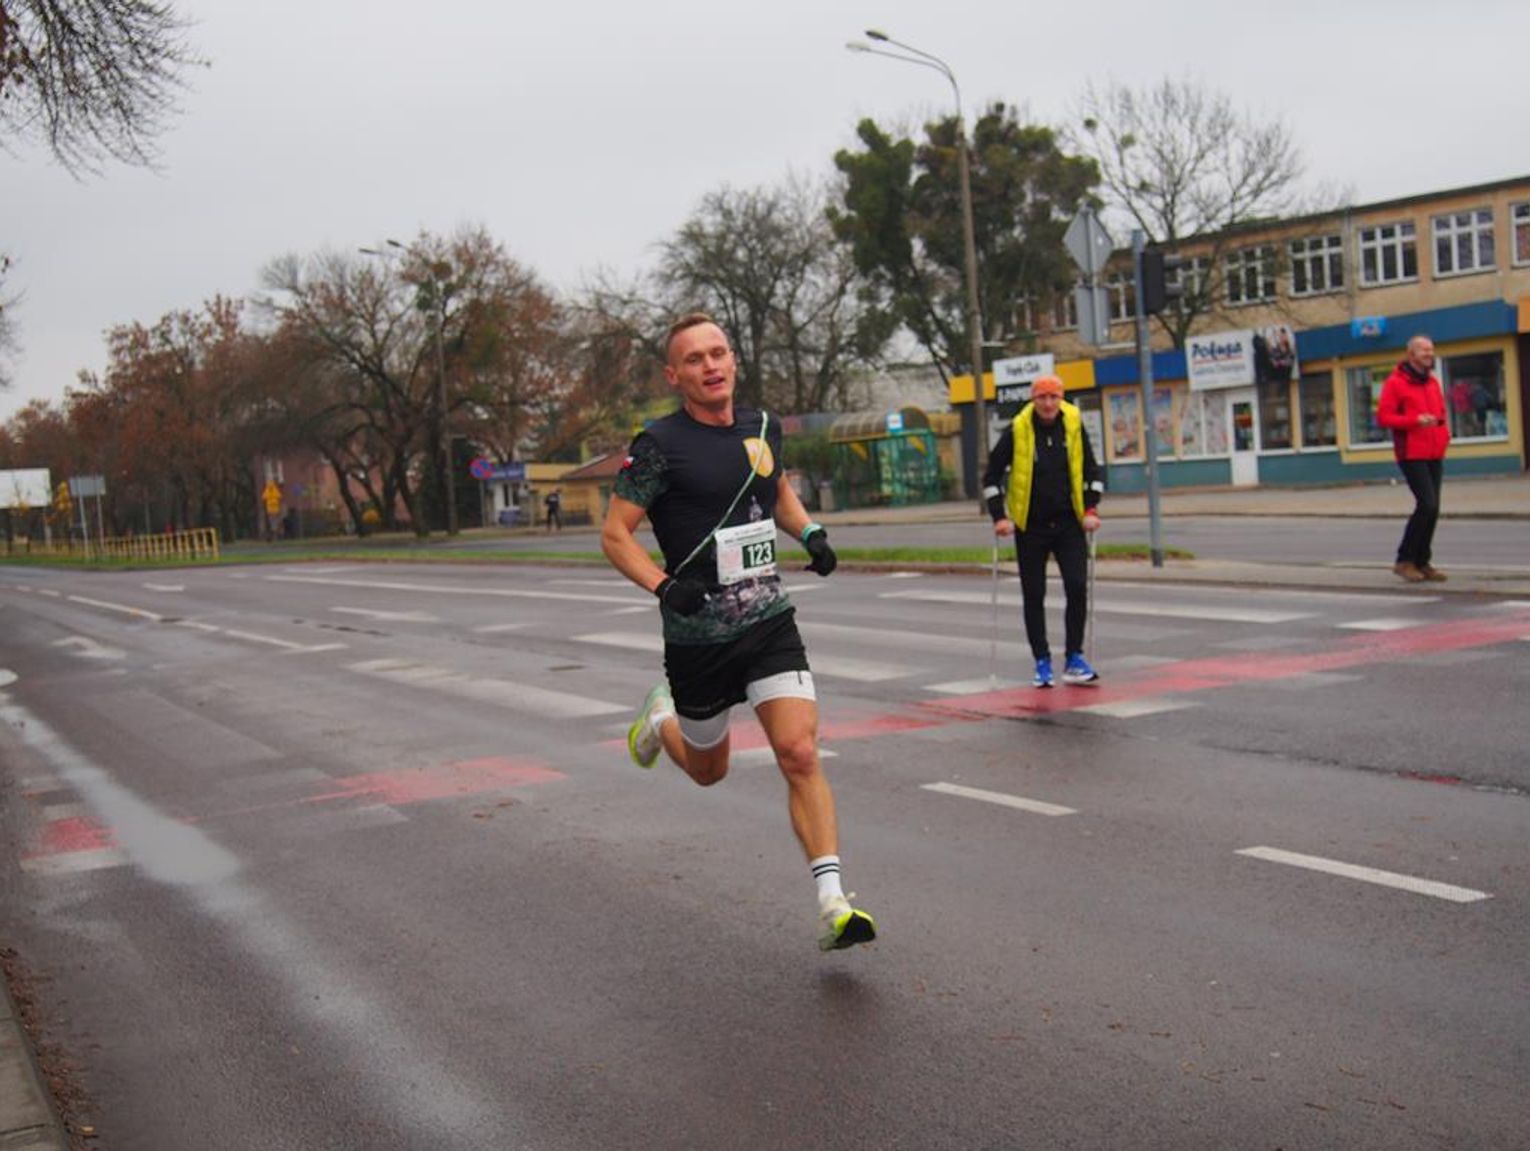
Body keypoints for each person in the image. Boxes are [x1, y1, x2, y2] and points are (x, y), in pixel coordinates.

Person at [600, 312, 875, 953]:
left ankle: (833, 902)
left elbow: (774, 489)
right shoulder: (656, 445)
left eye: (718, 352)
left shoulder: (759, 425)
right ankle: (659, 719)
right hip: (698, 637)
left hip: (768, 621)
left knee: (799, 753)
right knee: (707, 770)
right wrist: (666, 587)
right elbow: (615, 536)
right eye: (694, 359)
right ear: (675, 376)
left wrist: (810, 533)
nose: (711, 365)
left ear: (733, 360)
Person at [982, 375, 1105, 688]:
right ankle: (1042, 661)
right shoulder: (1019, 429)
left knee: (1077, 586)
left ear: (1061, 398)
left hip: (1069, 522)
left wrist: (1091, 508)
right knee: (1034, 594)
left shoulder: (1073, 425)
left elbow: (1091, 469)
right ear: (1033, 400)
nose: (1048, 404)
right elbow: (991, 476)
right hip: (1031, 526)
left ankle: (1074, 657)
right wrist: (1000, 516)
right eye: (1042, 398)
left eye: (1054, 397)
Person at [1376, 335, 1450, 583]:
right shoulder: (1396, 383)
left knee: (1433, 508)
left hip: (1434, 452)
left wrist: (1443, 436)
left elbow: (1440, 414)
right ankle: (1404, 560)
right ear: (1411, 355)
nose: (1430, 354)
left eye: (1431, 349)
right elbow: (1384, 418)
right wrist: (1413, 421)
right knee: (1426, 504)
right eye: (1424, 350)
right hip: (1411, 453)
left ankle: (1422, 561)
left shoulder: (1432, 383)